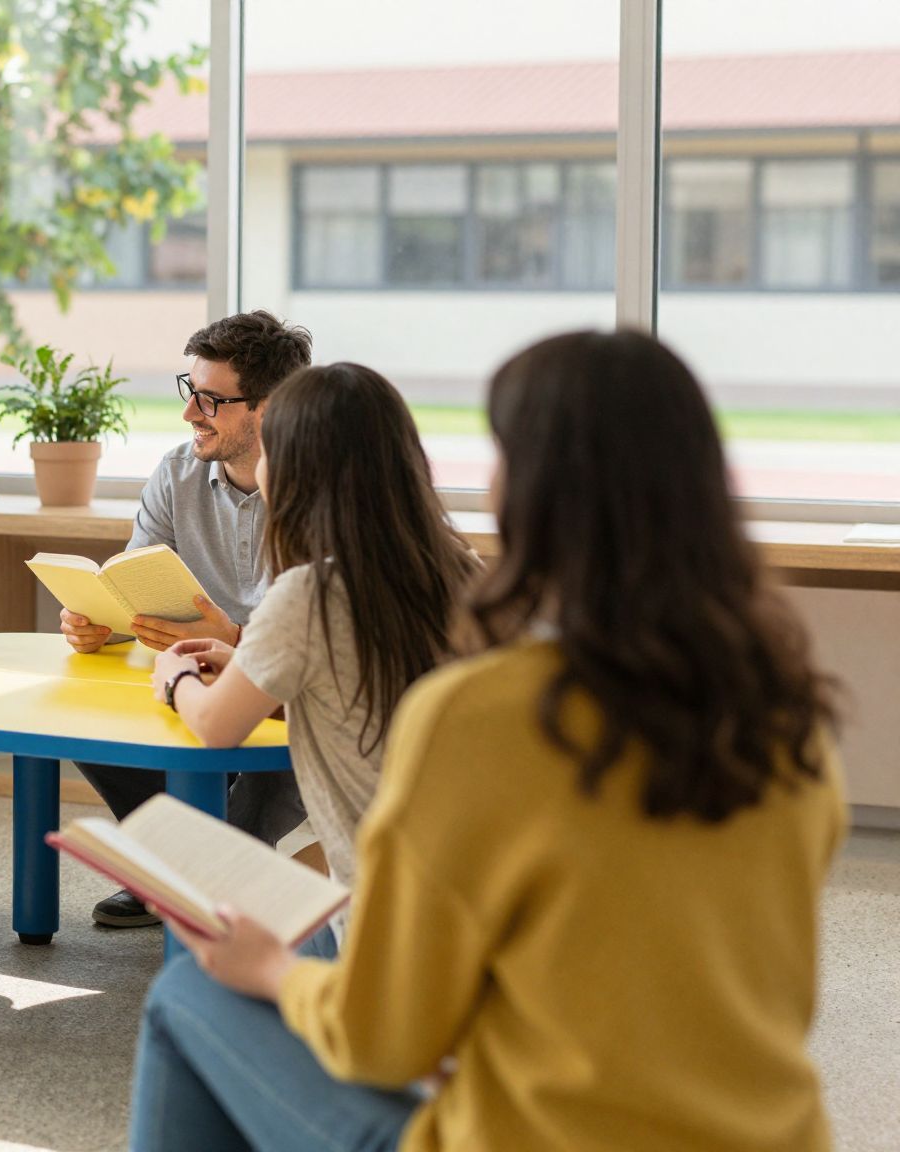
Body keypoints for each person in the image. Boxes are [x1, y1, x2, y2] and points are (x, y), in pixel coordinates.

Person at [131, 330, 845, 1152]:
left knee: (190, 997)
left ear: (531, 495)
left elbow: (382, 1039)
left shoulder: (479, 719)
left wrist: (265, 968)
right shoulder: (787, 721)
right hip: (774, 1136)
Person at [151, 363, 481, 950]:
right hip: (470, 898)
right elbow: (364, 694)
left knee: (178, 1000)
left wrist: (176, 675)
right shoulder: (460, 570)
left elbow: (215, 726)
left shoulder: (308, 594)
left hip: (376, 927)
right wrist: (249, 669)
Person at [61, 310, 315, 928]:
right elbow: (132, 580)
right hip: (196, 673)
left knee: (290, 717)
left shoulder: (324, 490)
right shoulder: (176, 474)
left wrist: (236, 641)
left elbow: (329, 644)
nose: (189, 413)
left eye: (211, 400)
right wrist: (101, 619)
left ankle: (187, 875)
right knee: (87, 713)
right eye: (189, 390)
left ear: (270, 407)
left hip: (293, 689)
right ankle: (182, 871)